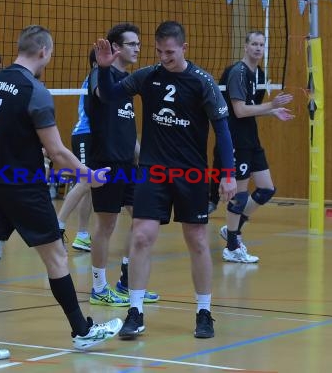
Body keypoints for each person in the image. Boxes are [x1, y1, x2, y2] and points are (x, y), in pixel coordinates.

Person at [0, 25, 122, 362]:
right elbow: (57, 152)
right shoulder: (35, 91)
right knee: (57, 257)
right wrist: (89, 175)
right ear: (45, 52)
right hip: (24, 187)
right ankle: (83, 331)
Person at [94, 20, 237, 339]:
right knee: (141, 236)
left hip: (192, 172)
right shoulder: (148, 75)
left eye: (169, 52)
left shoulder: (203, 82)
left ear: (184, 48)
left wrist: (227, 174)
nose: (163, 57)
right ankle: (135, 311)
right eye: (159, 51)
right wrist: (105, 69)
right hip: (153, 170)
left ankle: (204, 312)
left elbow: (223, 130)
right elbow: (108, 96)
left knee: (198, 240)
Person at [86, 23, 159, 307]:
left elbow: (126, 127)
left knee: (142, 219)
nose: (138, 48)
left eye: (139, 43)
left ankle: (127, 282)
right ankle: (99, 288)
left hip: (128, 164)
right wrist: (104, 69)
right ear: (115, 48)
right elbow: (103, 95)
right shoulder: (99, 75)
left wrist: (143, 158)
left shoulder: (127, 83)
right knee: (106, 225)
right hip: (105, 161)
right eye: (131, 44)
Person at [219, 31, 294, 264]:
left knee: (266, 189)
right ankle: (232, 245)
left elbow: (252, 108)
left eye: (262, 45)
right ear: (245, 46)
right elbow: (239, 111)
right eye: (254, 44)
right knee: (239, 194)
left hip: (251, 138)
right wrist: (271, 104)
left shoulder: (259, 73)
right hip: (236, 140)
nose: (258, 48)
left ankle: (234, 227)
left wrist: (272, 111)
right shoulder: (237, 73)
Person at [57, 49, 97, 252]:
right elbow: (92, 112)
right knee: (86, 180)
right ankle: (57, 226)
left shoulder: (104, 78)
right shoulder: (95, 77)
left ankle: (82, 235)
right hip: (85, 134)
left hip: (95, 137)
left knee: (90, 185)